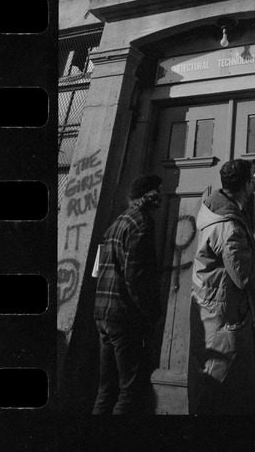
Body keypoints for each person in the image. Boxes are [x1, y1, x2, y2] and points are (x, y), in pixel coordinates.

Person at [187, 159, 255, 415]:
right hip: (223, 315)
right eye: (249, 181)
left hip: (209, 308)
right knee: (223, 389)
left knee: (209, 380)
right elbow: (246, 277)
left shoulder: (214, 205)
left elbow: (239, 192)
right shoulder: (229, 228)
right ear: (242, 184)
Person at [92, 173, 162, 414]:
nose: (161, 196)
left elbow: (98, 270)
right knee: (129, 392)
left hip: (104, 313)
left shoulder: (117, 222)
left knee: (106, 389)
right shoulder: (141, 223)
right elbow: (136, 277)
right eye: (158, 191)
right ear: (149, 196)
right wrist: (151, 313)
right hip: (123, 315)